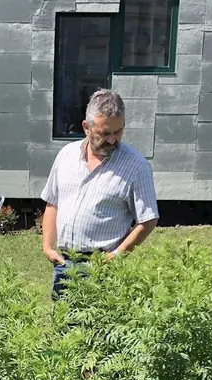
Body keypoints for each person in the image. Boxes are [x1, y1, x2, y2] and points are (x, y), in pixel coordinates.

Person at [40, 88, 159, 299]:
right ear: (86, 127)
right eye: (105, 133)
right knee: (64, 320)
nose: (112, 140)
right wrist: (48, 247)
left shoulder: (136, 166)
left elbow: (148, 220)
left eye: (118, 132)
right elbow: (53, 203)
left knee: (101, 320)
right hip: (64, 263)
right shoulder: (66, 155)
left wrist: (117, 255)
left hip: (103, 265)